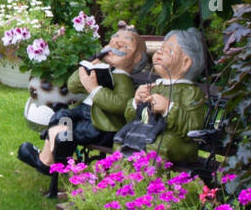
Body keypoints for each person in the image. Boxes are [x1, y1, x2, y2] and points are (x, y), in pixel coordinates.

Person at [17, 24, 153, 176]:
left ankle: (51, 162)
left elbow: (120, 105)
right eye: (113, 41)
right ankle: (50, 159)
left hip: (103, 126)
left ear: (137, 59)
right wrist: (88, 67)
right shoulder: (102, 69)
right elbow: (73, 86)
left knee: (68, 131)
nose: (116, 45)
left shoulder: (123, 80)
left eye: (125, 45)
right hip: (83, 112)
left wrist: (94, 89)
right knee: (62, 117)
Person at [115, 28, 209, 164]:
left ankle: (150, 183)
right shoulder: (154, 86)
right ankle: (120, 180)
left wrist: (168, 108)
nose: (159, 52)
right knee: (120, 141)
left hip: (181, 144)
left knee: (156, 144)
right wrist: (136, 102)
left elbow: (194, 129)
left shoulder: (190, 92)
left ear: (186, 62)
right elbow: (131, 119)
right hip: (147, 133)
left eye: (169, 51)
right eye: (161, 48)